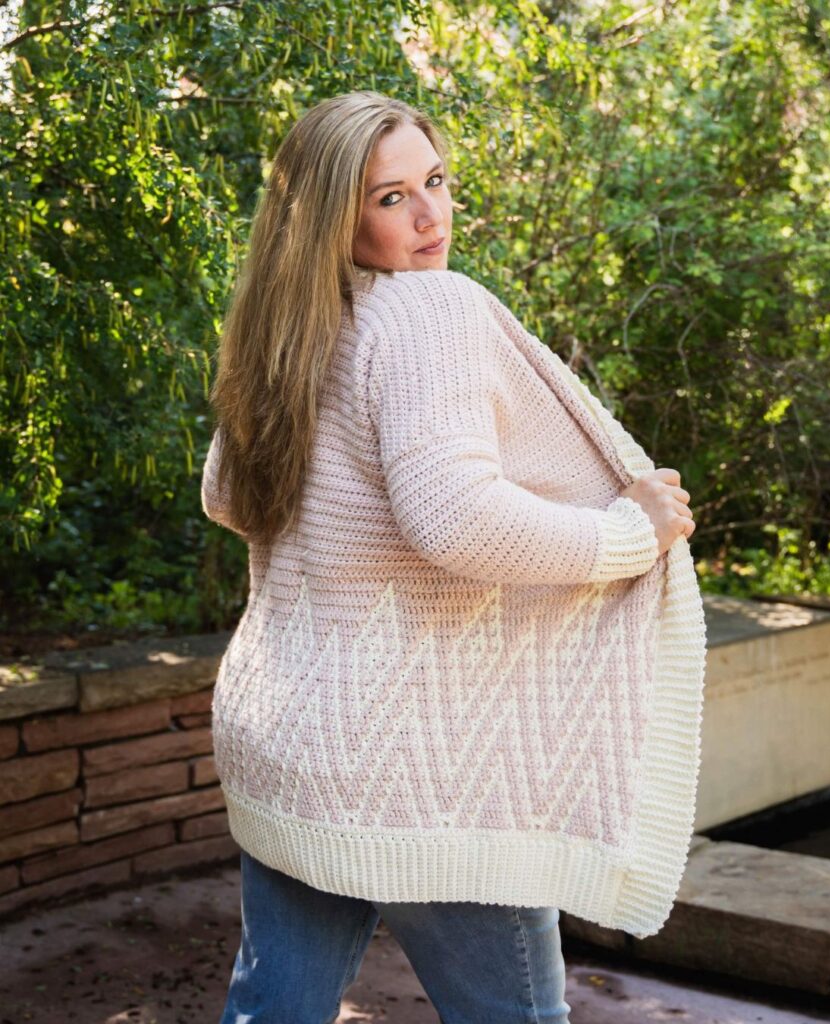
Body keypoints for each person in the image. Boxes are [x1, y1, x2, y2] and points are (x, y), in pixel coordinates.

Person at [202, 90, 707, 1024]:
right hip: (414, 770)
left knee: (273, 1010)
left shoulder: (282, 330)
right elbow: (458, 522)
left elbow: (228, 497)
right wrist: (628, 534)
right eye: (390, 198)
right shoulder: (426, 310)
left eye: (433, 182)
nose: (431, 215)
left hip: (289, 738)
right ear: (327, 217)